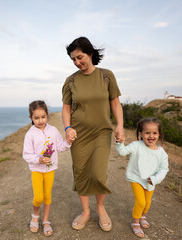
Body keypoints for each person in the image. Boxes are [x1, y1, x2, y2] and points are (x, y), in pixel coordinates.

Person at [62, 36, 125, 232]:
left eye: (80, 57)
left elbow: (115, 102)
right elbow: (66, 108)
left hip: (101, 133)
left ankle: (100, 208)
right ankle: (86, 211)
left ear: (90, 54)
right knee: (81, 172)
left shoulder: (107, 76)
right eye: (73, 59)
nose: (77, 62)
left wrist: (120, 125)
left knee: (98, 173)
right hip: (79, 134)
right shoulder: (71, 81)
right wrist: (67, 128)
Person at [23, 100, 73, 236]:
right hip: (37, 170)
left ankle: (45, 220)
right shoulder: (30, 134)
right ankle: (35, 215)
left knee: (48, 196)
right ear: (31, 118)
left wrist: (68, 142)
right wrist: (39, 159)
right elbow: (26, 155)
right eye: (36, 118)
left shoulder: (53, 130)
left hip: (50, 169)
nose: (40, 120)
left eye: (43, 117)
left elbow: (60, 147)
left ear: (47, 115)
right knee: (38, 197)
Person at [115, 118, 169, 238]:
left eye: (154, 133)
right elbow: (122, 152)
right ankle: (135, 223)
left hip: (151, 181)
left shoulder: (161, 153)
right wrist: (119, 143)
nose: (151, 136)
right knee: (141, 202)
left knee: (147, 203)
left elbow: (164, 169)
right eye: (147, 132)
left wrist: (154, 179)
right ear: (141, 133)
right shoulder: (136, 145)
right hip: (136, 178)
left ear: (159, 134)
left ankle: (142, 216)